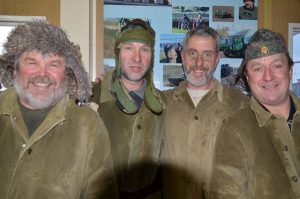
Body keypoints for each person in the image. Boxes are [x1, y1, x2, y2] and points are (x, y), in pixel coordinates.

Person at [0, 20, 118, 198]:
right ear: (14, 70)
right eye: (32, 63)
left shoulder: (88, 125)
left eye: (54, 64)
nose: (42, 74)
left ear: (67, 74)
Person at [209, 29, 300, 198]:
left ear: (289, 71)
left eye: (277, 66)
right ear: (248, 78)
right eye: (258, 68)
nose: (268, 77)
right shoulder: (235, 130)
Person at [161, 26, 249, 199]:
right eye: (193, 53)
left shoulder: (241, 105)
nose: (199, 62)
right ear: (183, 56)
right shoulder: (161, 103)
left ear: (216, 59)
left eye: (207, 54)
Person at [91, 18, 166, 199]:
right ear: (118, 54)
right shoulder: (91, 97)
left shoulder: (163, 103)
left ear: (152, 57)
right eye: (129, 48)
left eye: (144, 50)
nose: (137, 58)